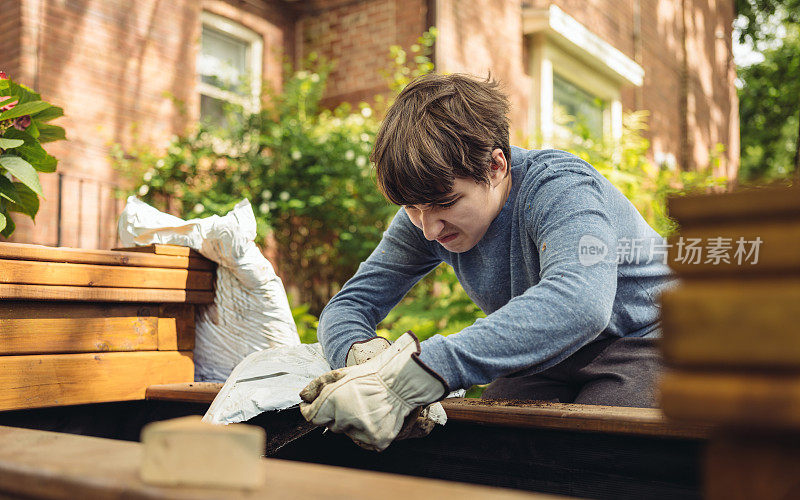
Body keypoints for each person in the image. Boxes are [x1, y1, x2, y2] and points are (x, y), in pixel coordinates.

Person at [299, 73, 676, 452]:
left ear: (496, 166)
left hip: (649, 341)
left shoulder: (561, 188)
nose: (428, 229)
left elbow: (580, 303)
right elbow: (349, 305)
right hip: (551, 358)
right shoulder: (426, 210)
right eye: (412, 208)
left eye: (446, 204)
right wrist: (367, 361)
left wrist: (420, 369)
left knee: (594, 455)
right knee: (489, 449)